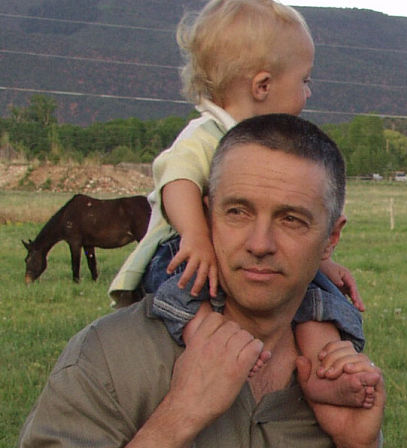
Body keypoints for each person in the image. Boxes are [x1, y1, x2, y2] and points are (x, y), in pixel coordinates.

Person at [20, 114, 402, 448]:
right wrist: (181, 412)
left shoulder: (335, 373)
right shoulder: (105, 360)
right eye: (238, 211)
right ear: (205, 214)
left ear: (331, 238)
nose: (260, 242)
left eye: (292, 219)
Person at [108, 0, 370, 407]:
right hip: (185, 246)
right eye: (304, 80)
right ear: (263, 86)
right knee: (183, 290)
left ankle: (327, 366)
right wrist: (196, 234)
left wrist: (322, 262)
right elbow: (175, 181)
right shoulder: (205, 133)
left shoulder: (264, 146)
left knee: (316, 294)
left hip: (226, 248)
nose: (308, 92)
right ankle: (211, 351)